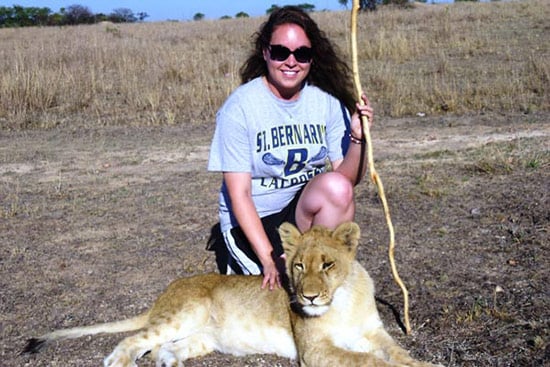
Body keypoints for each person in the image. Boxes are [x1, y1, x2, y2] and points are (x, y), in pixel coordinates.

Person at [208, 6, 374, 290]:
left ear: (312, 58)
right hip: (253, 221)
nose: (291, 62)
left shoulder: (326, 101)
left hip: (298, 213)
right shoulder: (239, 108)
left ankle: (317, 264)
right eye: (280, 52)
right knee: (270, 303)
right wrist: (270, 259)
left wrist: (358, 138)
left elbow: (346, 181)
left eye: (302, 54)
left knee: (337, 188)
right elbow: (240, 195)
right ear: (265, 52)